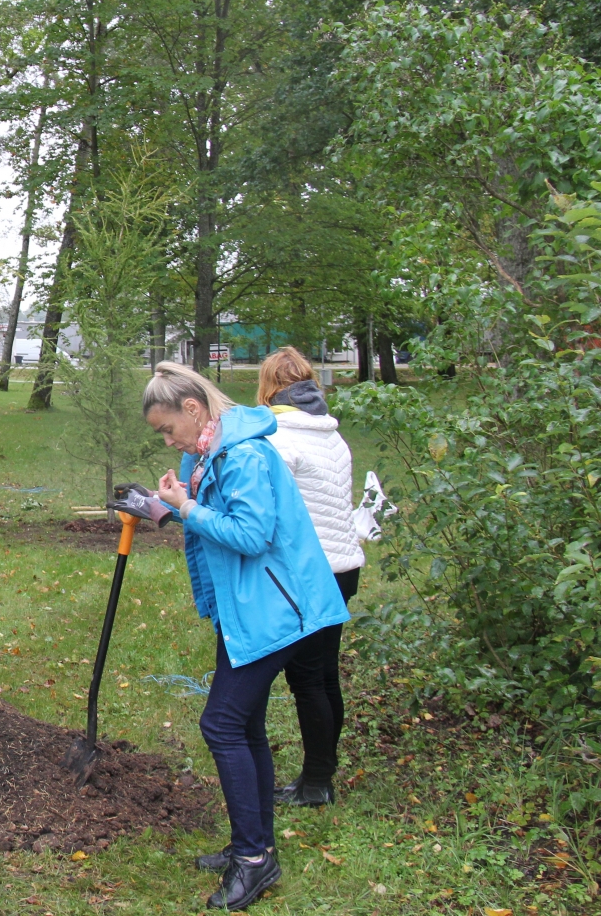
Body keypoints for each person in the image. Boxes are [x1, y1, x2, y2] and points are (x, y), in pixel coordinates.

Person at [143, 361, 350, 910]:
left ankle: (255, 860)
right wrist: (176, 503)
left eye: (168, 428)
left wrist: (186, 507)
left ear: (193, 409)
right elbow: (221, 516)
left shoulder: (245, 454)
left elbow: (252, 535)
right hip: (251, 606)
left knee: (223, 723)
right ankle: (251, 844)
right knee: (246, 723)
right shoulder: (217, 450)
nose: (168, 438)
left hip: (276, 610)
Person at [256, 347, 364, 808]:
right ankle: (320, 774)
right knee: (325, 675)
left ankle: (318, 781)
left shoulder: (280, 438)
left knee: (307, 680)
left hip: (308, 571)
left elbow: (269, 512)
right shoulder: (332, 435)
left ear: (268, 387)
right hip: (343, 567)